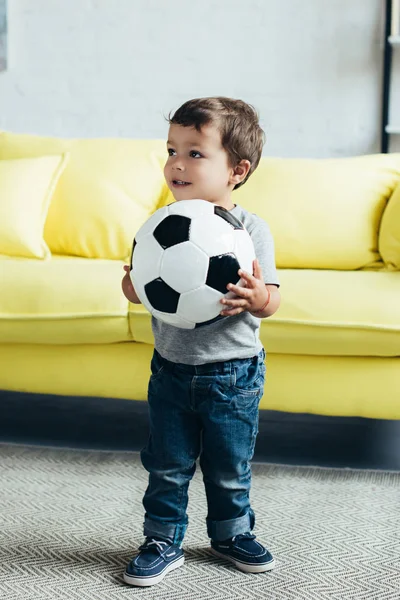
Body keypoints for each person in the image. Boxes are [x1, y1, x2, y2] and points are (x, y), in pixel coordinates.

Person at [121, 97, 281, 587]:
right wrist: (135, 282)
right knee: (167, 464)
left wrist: (256, 297)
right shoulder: (162, 225)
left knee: (228, 464)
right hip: (170, 369)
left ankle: (231, 534)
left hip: (232, 374)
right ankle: (162, 539)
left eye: (195, 152)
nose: (177, 163)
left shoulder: (252, 230)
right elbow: (137, 290)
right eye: (172, 150)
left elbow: (271, 299)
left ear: (238, 169)